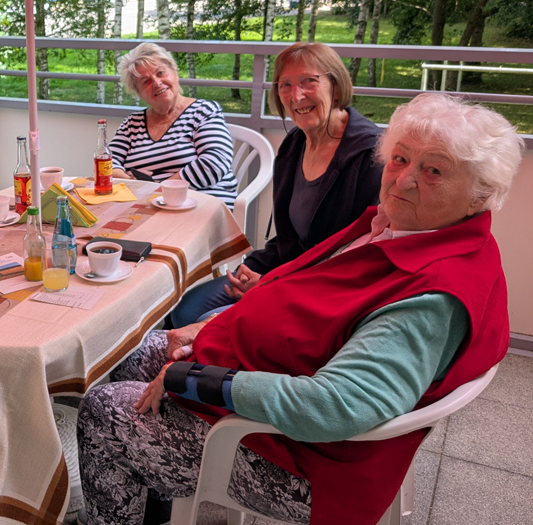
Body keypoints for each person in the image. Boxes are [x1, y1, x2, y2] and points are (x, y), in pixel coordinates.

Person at [79, 93, 522, 525]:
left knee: (103, 408)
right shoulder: (390, 227)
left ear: (479, 196)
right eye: (400, 159)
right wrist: (214, 325)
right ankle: (147, 489)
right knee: (125, 354)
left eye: (434, 171)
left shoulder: (433, 296)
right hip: (271, 369)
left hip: (305, 461)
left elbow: (335, 406)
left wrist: (189, 378)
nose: (404, 180)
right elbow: (293, 289)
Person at [169, 41, 383, 327]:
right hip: (284, 275)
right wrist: (253, 267)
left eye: (309, 81)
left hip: (326, 294)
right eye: (285, 85)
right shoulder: (294, 145)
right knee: (181, 312)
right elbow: (289, 238)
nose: (296, 96)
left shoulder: (370, 155)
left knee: (207, 324)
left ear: (335, 84)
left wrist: (271, 282)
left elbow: (355, 259)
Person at [108, 42, 237, 207]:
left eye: (160, 73)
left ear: (175, 73)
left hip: (200, 204)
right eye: (145, 82)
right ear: (138, 93)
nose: (156, 82)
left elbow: (215, 162)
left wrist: (160, 189)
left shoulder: (204, 111)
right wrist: (129, 181)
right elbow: (107, 163)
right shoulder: (133, 123)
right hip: (148, 204)